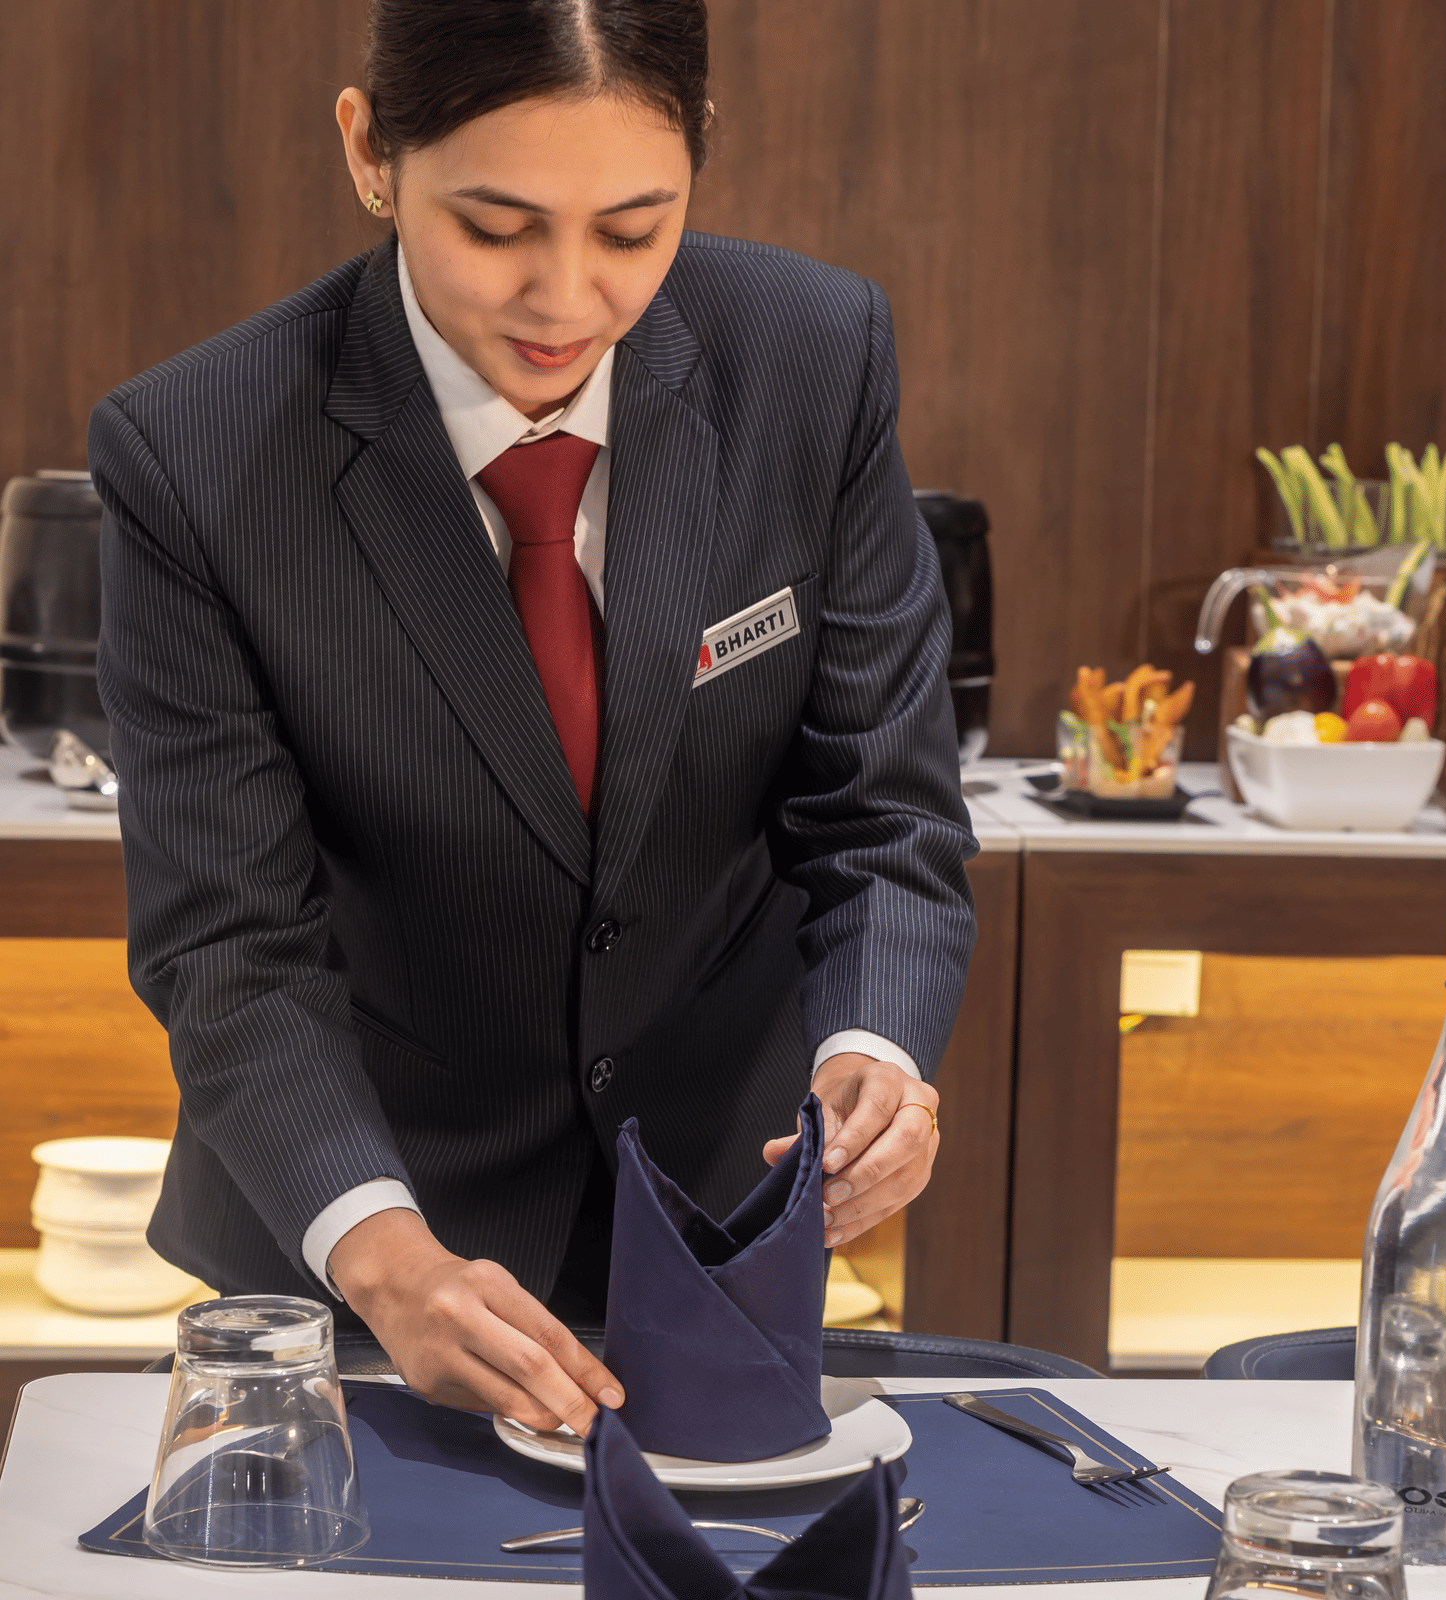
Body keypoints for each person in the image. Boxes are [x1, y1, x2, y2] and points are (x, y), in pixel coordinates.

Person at [89, 0, 976, 1439]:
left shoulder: (813, 358)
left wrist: (874, 1054)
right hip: (355, 1274)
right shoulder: (196, 452)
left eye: (634, 229)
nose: (567, 298)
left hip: (706, 1237)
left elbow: (880, 814)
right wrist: (385, 1258)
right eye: (496, 227)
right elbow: (231, 945)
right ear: (371, 151)